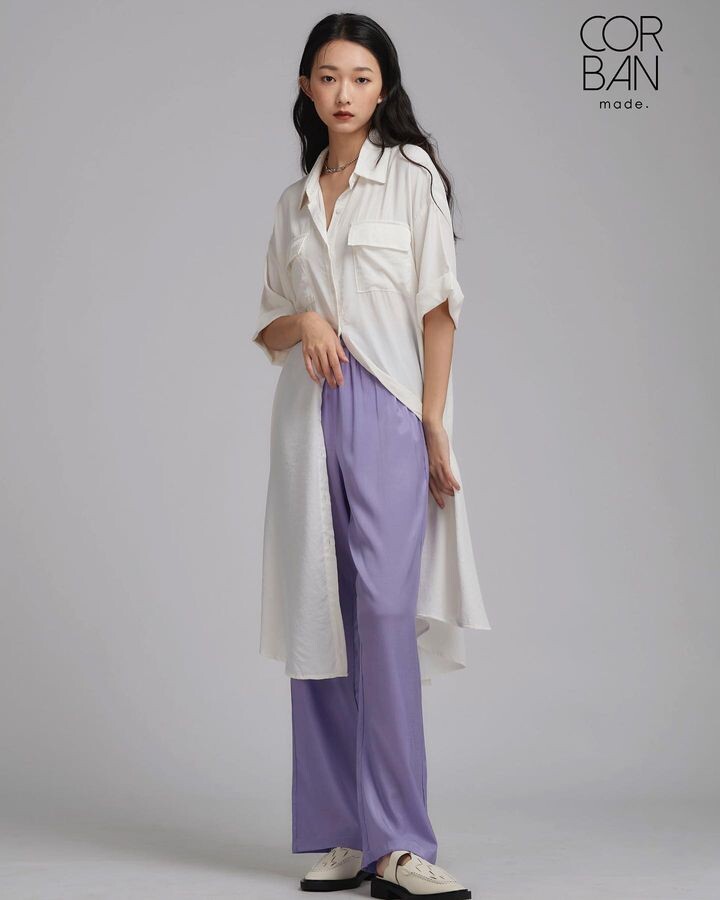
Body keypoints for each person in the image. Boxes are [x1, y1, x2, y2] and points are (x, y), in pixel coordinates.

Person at [251, 13, 490, 899]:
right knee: (321, 616)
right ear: (307, 89)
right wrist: (307, 320)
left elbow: (439, 308)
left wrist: (433, 424)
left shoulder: (412, 178)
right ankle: (342, 834)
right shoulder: (294, 202)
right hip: (307, 419)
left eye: (359, 77)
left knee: (384, 617)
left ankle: (400, 844)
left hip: (387, 411)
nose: (343, 93)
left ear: (383, 87)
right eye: (327, 76)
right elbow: (269, 326)